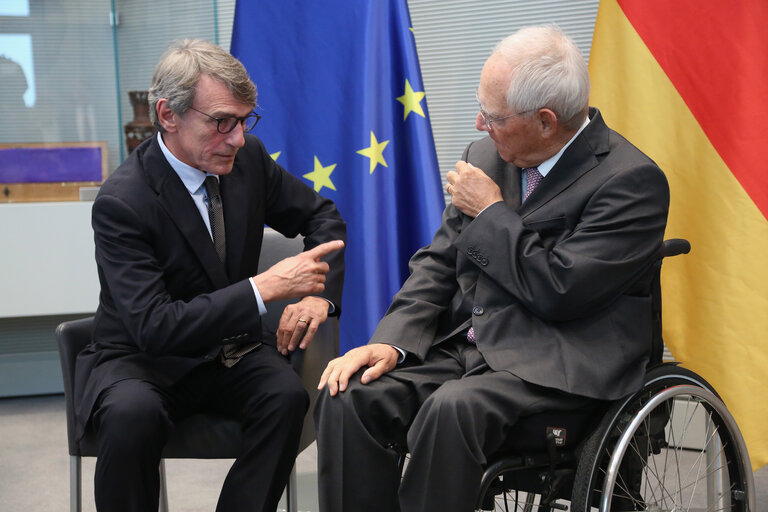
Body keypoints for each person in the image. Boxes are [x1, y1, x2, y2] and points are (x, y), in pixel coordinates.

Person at [314, 25, 669, 512]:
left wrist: (490, 214)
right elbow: (439, 261)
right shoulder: (487, 155)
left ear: (546, 121)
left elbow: (561, 290)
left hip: (557, 365)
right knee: (349, 397)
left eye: (493, 116)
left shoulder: (631, 182)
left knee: (452, 409)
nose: (479, 125)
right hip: (470, 349)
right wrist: (392, 340)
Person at [74, 39, 346, 512]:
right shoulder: (123, 202)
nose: (237, 138)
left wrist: (318, 299)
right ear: (168, 115)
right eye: (221, 122)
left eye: (245, 121)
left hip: (231, 351)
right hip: (143, 361)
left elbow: (324, 219)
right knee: (131, 417)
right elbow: (155, 326)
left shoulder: (248, 161)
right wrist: (264, 288)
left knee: (285, 398)